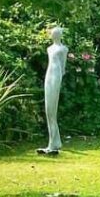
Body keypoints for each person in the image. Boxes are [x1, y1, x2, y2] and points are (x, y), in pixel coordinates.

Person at [37, 26, 67, 156]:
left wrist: (59, 78)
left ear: (60, 35)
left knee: (52, 110)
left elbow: (63, 67)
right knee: (48, 110)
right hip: (48, 76)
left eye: (57, 33)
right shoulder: (49, 48)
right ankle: (55, 142)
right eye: (53, 34)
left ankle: (52, 144)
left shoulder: (63, 49)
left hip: (56, 76)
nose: (54, 35)